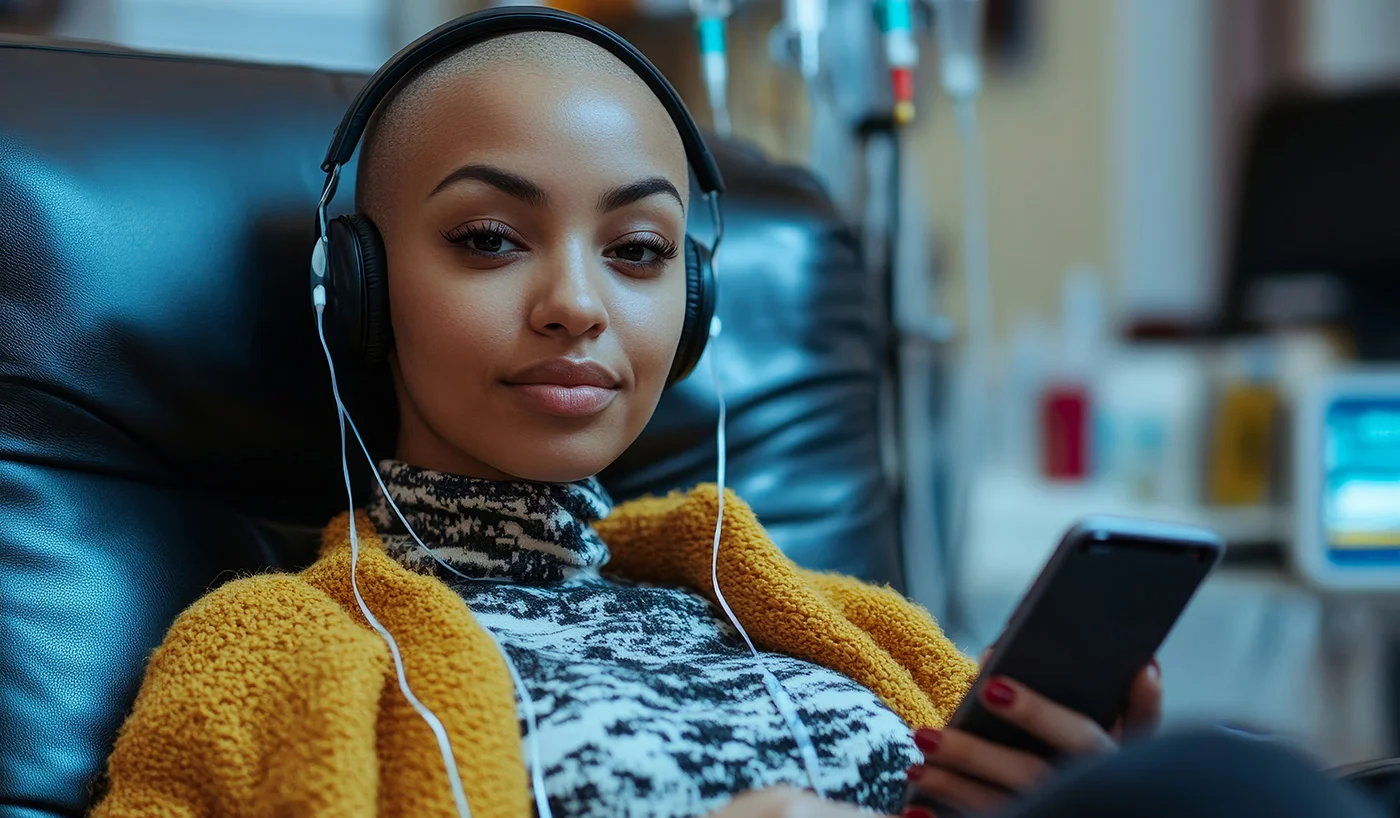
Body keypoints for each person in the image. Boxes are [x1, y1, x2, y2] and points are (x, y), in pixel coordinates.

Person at [90, 16, 1373, 818]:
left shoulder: (820, 620)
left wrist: (1078, 785)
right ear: (360, 294)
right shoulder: (268, 652)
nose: (575, 305)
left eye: (640, 250)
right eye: (489, 239)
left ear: (694, 305)